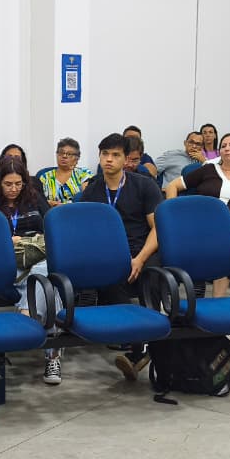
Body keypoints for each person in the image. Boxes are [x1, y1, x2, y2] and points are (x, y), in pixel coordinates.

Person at [79, 133, 163, 381]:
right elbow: (88, 232)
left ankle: (146, 343)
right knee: (107, 278)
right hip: (110, 254)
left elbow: (158, 229)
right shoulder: (93, 190)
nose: (109, 159)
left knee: (153, 275)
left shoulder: (144, 185)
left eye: (115, 155)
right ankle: (139, 345)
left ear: (126, 159)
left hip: (144, 249)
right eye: (105, 154)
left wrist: (139, 258)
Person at [164, 133, 230, 303]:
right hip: (201, 223)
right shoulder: (208, 169)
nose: (227, 148)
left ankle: (219, 301)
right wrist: (173, 214)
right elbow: (172, 185)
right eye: (223, 146)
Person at [0, 159, 62, 384]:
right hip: (6, 264)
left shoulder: (34, 199)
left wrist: (33, 239)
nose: (14, 189)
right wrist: (5, 240)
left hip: (37, 259)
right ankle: (52, 355)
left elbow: (51, 228)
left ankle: (27, 314)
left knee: (46, 274)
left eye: (19, 184)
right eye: (8, 184)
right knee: (49, 286)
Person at [39, 137, 92, 206]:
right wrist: (48, 203)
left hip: (77, 211)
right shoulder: (45, 177)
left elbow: (87, 198)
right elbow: (38, 200)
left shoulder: (84, 174)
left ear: (77, 158)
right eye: (61, 153)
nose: (64, 156)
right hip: (51, 211)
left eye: (69, 154)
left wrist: (63, 206)